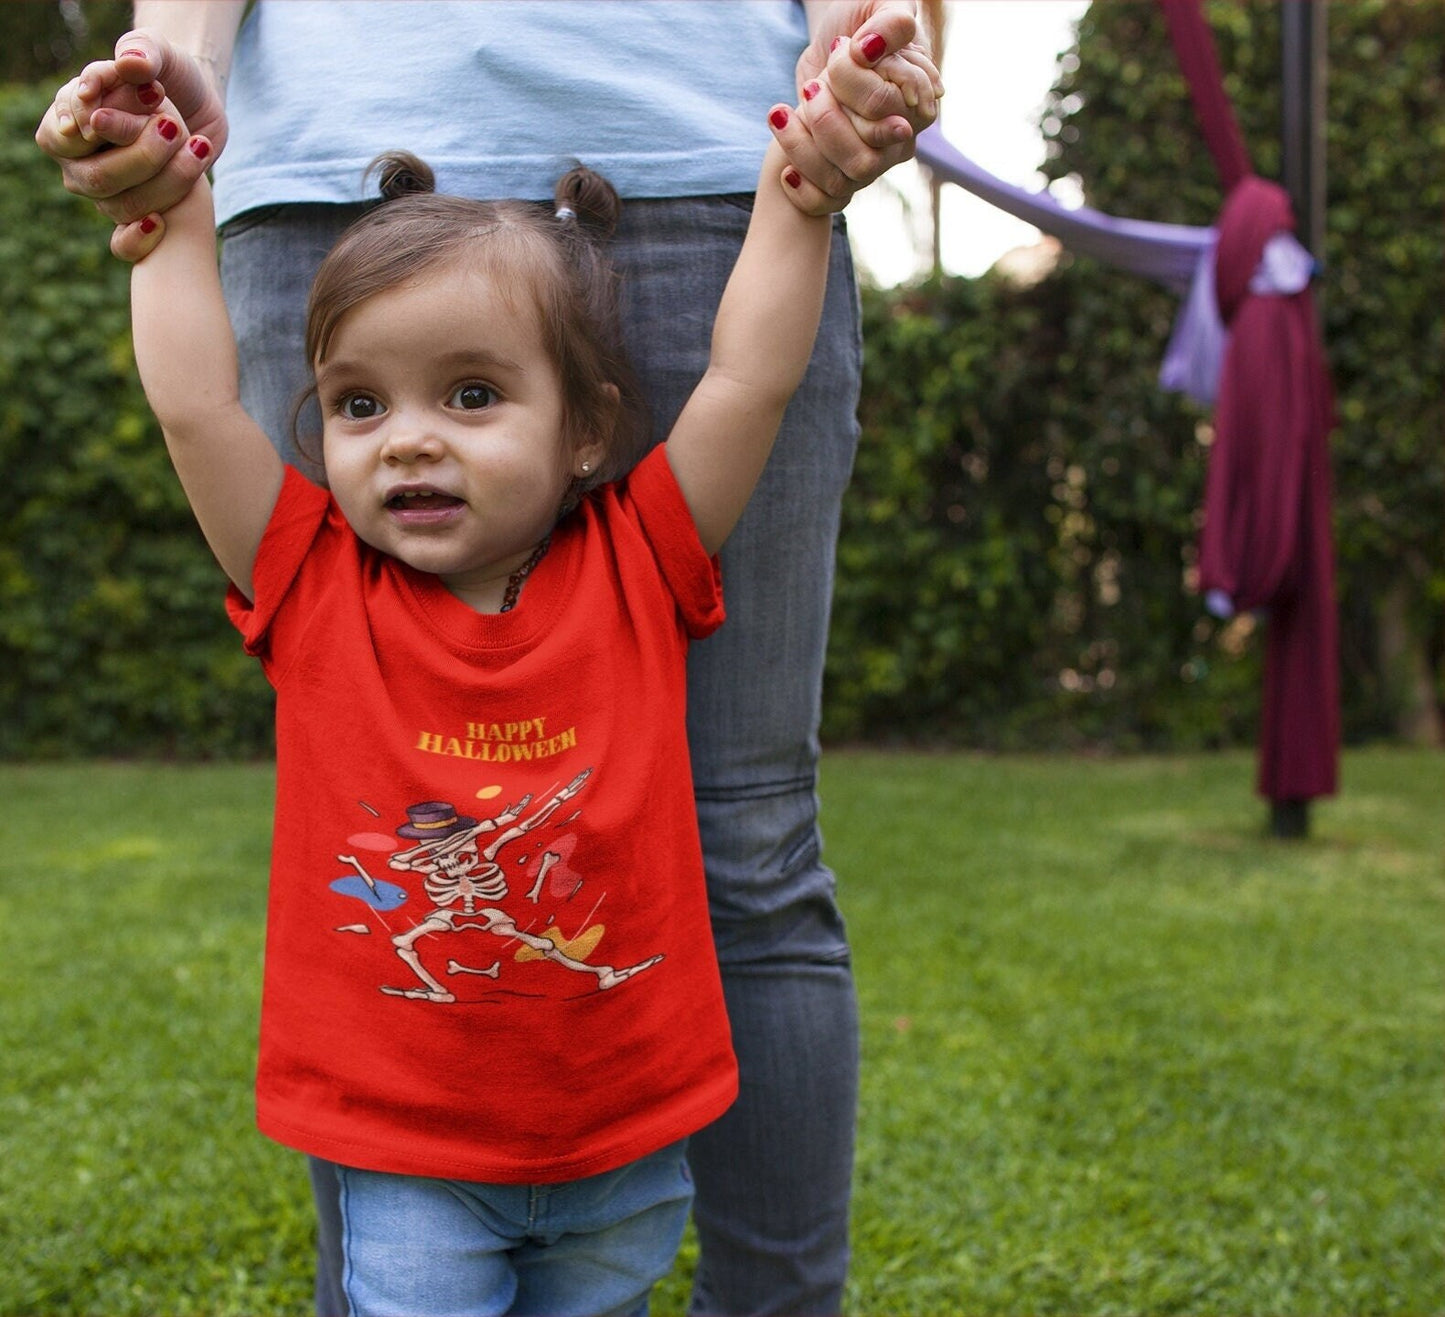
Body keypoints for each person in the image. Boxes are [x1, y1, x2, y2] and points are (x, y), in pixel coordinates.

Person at [37, 6, 941, 1313]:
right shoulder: (305, 578)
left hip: (618, 1164)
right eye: (359, 404)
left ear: (591, 434)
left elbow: (744, 381)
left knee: (754, 847)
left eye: (470, 396)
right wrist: (172, 207)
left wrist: (795, 201)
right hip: (403, 1163)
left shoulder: (640, 565)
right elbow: (197, 401)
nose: (407, 439)